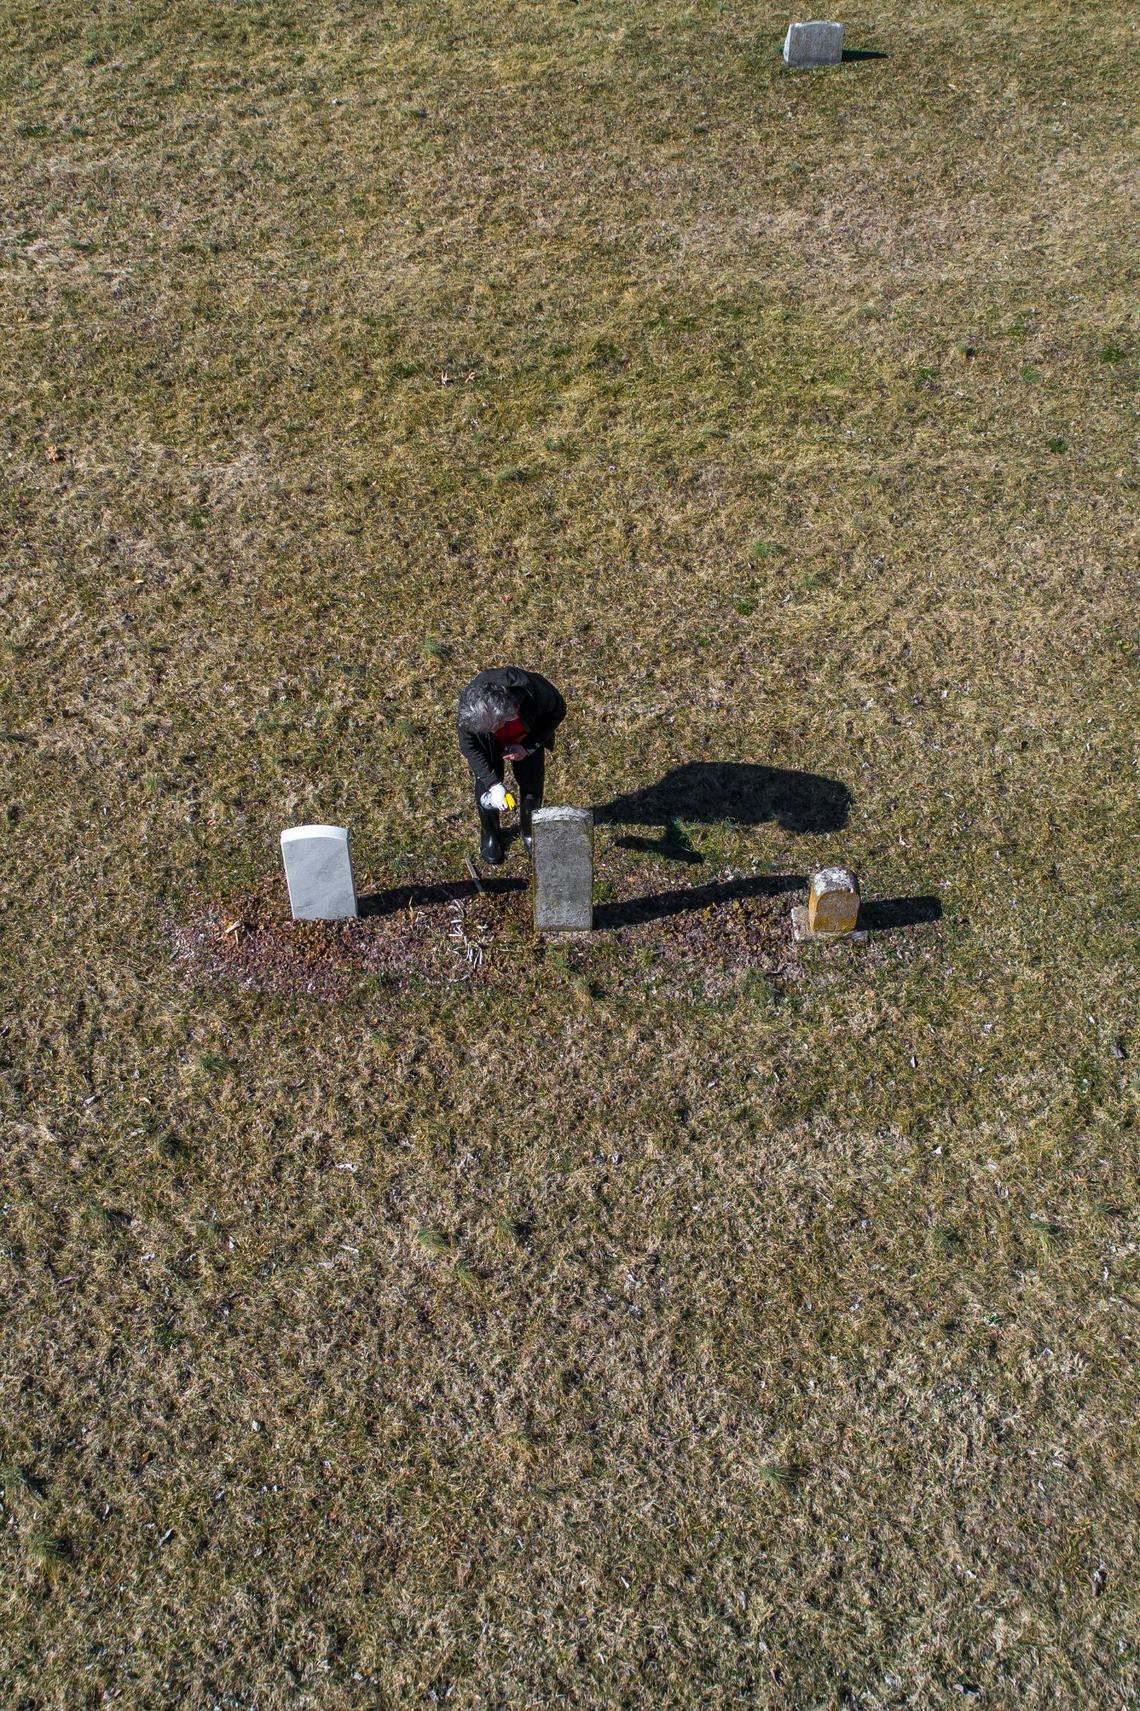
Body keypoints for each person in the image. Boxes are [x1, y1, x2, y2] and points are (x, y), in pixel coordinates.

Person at [457, 666, 566, 866]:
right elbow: (469, 747)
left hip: (525, 736)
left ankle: (529, 831)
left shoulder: (532, 691)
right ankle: (490, 833)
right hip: (488, 749)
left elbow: (558, 710)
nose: (494, 730)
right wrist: (493, 784)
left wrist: (527, 747)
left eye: (495, 727)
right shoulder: (470, 711)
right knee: (486, 787)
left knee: (532, 783)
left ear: (509, 712)